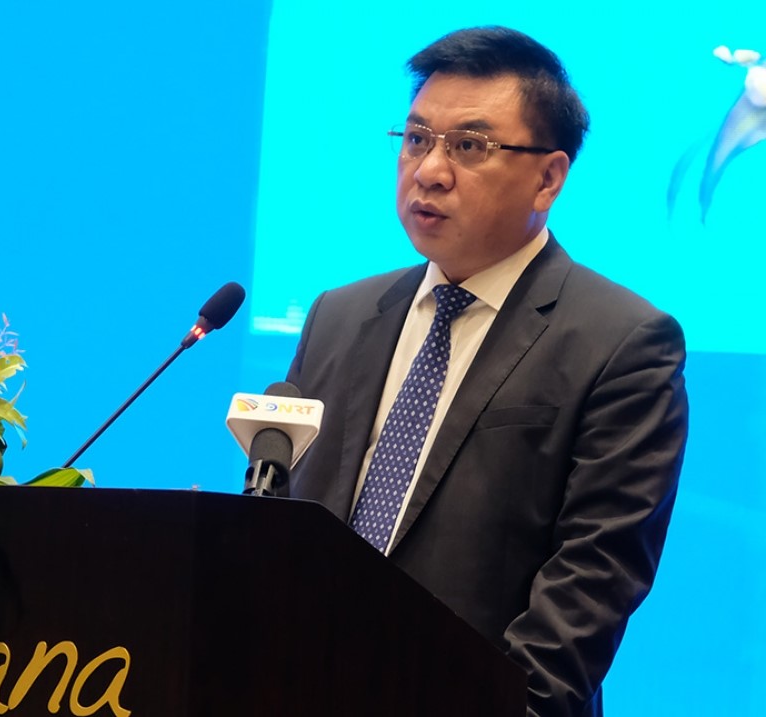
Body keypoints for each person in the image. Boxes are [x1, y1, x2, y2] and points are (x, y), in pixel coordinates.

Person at [283, 26, 688, 717]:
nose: (430, 171)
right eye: (417, 139)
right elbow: (285, 535)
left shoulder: (623, 343)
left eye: (469, 147)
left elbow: (589, 586)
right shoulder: (339, 316)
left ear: (549, 177)